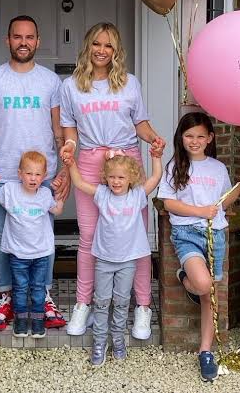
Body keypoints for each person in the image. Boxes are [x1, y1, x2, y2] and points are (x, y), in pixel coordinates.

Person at [60, 22, 165, 339]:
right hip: (91, 160)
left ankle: (142, 308)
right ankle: (84, 304)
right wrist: (70, 147)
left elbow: (141, 123)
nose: (101, 51)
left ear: (116, 51)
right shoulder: (71, 87)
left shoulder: (130, 83)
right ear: (87, 46)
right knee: (90, 238)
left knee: (136, 238)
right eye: (96, 44)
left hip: (128, 161)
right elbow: (70, 130)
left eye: (108, 46)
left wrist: (153, 139)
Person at [0, 15, 70, 331]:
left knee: (43, 238)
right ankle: (6, 297)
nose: (23, 42)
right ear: (8, 40)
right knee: (4, 238)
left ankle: (42, 296)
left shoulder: (51, 82)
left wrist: (64, 170)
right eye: (17, 37)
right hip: (2, 174)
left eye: (29, 37)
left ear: (38, 41)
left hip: (42, 176)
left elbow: (59, 129)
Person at [157, 112, 240, 382]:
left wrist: (239, 187)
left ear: (210, 138)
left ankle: (205, 351)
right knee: (203, 285)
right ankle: (184, 277)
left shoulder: (217, 168)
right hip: (187, 234)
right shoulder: (175, 166)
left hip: (215, 236)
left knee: (208, 297)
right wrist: (199, 211)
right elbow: (168, 203)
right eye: (189, 136)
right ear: (181, 137)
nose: (195, 141)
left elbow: (222, 204)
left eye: (201, 136)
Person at [65, 150, 162, 366]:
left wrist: (156, 156)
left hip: (128, 261)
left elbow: (155, 178)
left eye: (121, 177)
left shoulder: (137, 196)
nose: (116, 182)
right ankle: (99, 341)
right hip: (104, 260)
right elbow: (79, 183)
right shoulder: (102, 194)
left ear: (131, 178)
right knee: (101, 302)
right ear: (105, 178)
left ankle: (118, 337)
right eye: (112, 177)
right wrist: (71, 163)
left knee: (121, 302)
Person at [0, 151, 64, 337]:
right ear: (20, 174)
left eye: (37, 174)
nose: (33, 178)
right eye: (29, 173)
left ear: (43, 177)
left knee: (38, 288)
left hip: (40, 254)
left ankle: (37, 322)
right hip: (18, 254)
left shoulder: (44, 194)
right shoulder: (11, 191)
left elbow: (57, 210)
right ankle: (20, 322)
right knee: (19, 288)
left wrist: (59, 194)